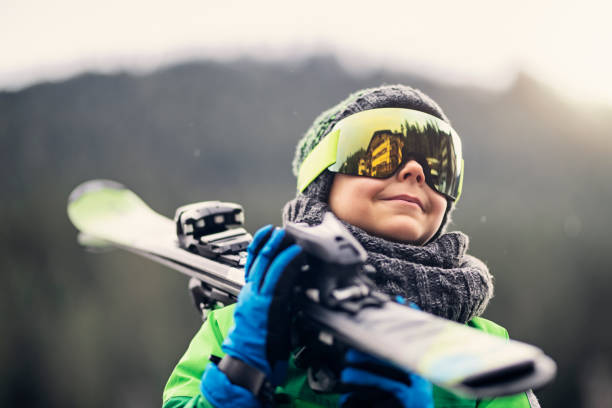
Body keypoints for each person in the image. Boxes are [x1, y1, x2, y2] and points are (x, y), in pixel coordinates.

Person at [162, 85, 541, 407]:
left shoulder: (483, 351)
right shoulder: (235, 326)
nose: (416, 172)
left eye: (437, 163)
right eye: (380, 153)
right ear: (321, 182)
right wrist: (239, 375)